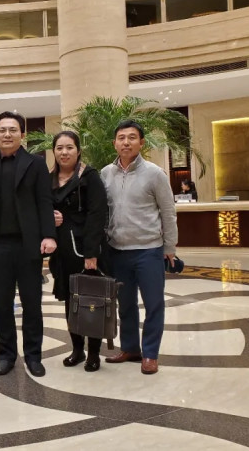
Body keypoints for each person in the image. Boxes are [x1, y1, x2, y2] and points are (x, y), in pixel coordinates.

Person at [0, 112, 56, 377]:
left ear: (22, 135)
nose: (7, 134)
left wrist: (49, 235)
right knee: (2, 305)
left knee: (31, 303)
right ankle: (6, 355)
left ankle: (33, 356)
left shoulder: (36, 164)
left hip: (29, 244)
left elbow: (45, 201)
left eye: (13, 130)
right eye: (2, 130)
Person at [101, 120, 178, 375]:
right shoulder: (105, 174)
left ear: (141, 143)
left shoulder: (155, 174)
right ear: (114, 143)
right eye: (121, 138)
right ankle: (130, 348)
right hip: (117, 250)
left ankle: (151, 354)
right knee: (125, 305)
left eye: (132, 137)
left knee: (153, 303)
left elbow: (168, 212)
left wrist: (170, 246)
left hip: (149, 250)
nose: (126, 142)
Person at [48, 131, 109, 372]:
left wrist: (92, 253)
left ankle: (93, 353)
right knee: (71, 299)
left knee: (91, 299)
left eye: (69, 147)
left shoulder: (89, 176)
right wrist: (50, 218)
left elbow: (97, 214)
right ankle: (77, 349)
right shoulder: (49, 179)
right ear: (54, 151)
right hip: (62, 250)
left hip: (85, 249)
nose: (64, 152)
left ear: (78, 150)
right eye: (59, 148)